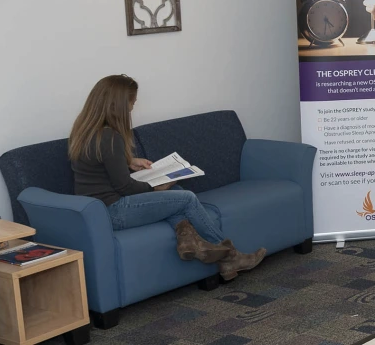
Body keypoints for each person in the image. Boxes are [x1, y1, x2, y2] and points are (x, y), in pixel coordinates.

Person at [69, 75, 267, 281]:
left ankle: (188, 240)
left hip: (100, 209)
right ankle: (231, 256)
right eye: (131, 104)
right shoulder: (111, 138)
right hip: (114, 211)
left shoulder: (84, 131)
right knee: (186, 197)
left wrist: (129, 161)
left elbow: (98, 165)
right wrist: (156, 188)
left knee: (177, 193)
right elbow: (124, 186)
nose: (131, 109)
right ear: (118, 105)